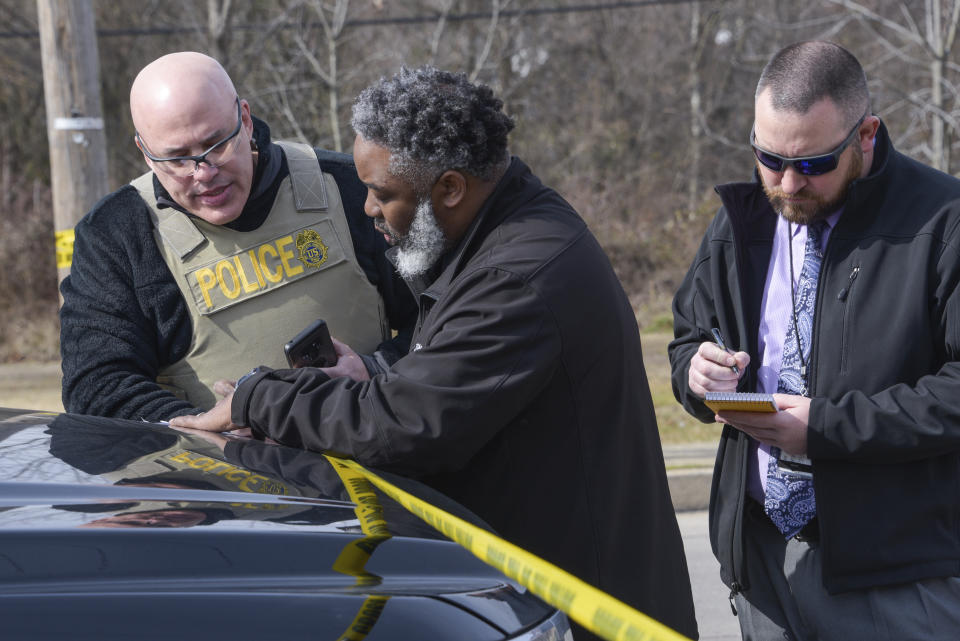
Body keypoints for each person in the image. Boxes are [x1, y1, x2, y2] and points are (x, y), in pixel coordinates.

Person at [172, 65, 699, 640]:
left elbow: (407, 425)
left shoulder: (516, 276)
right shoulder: (499, 229)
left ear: (450, 187)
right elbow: (452, 380)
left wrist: (259, 397)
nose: (369, 209)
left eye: (382, 193)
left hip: (587, 608)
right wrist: (370, 372)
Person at [670, 40, 960, 639]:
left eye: (813, 163)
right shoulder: (742, 220)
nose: (789, 183)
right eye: (769, 158)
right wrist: (697, 374)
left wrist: (826, 428)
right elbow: (688, 337)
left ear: (866, 134)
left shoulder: (942, 221)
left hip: (895, 571)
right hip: (760, 559)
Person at [59, 51, 416, 421]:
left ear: (245, 120)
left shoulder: (348, 189)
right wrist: (211, 430)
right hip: (221, 474)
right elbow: (96, 386)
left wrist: (375, 369)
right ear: (145, 154)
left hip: (376, 456)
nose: (203, 172)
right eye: (177, 159)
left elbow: (447, 318)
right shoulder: (115, 236)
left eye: (217, 145)